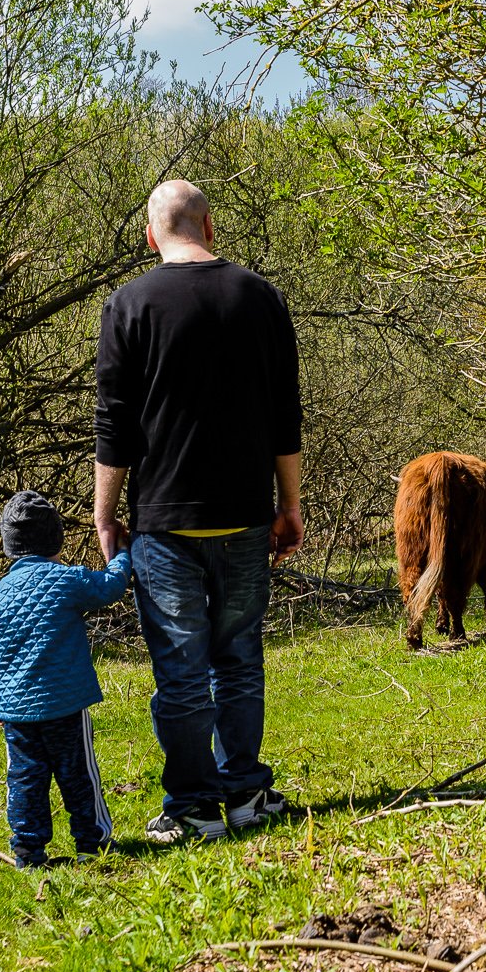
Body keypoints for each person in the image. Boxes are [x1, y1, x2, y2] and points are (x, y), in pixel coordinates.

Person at [94, 179, 304, 845]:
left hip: (164, 522)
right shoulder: (261, 298)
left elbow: (114, 427)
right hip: (246, 514)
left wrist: (105, 514)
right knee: (238, 657)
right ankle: (243, 792)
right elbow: (285, 415)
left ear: (151, 236)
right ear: (210, 229)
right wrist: (290, 501)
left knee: (180, 670)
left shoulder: (127, 306)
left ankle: (194, 806)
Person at [0, 490, 132, 868]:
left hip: (17, 713)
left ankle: (28, 851)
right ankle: (92, 844)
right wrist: (124, 551)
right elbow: (110, 586)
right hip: (64, 705)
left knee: (25, 780)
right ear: (56, 539)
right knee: (79, 775)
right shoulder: (67, 580)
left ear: (8, 545)